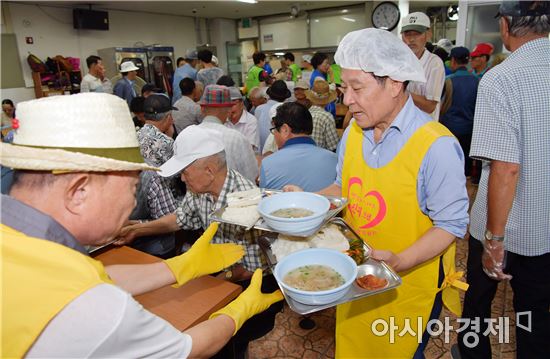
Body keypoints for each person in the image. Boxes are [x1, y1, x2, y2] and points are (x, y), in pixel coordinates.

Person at [0, 93, 282, 358]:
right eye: (134, 186)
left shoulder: (18, 245)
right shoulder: (94, 309)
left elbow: (94, 278)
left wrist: (178, 267)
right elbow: (186, 349)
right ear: (79, 192)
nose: (131, 204)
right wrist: (237, 311)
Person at [286, 28, 469, 358]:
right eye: (344, 88)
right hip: (356, 275)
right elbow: (344, 188)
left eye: (357, 88)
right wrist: (307, 203)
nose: (347, 100)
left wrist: (400, 261)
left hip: (408, 285)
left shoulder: (436, 146)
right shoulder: (355, 131)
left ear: (395, 83)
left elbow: (451, 225)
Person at [115, 124, 284, 359]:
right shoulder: (199, 190)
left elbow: (249, 269)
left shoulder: (246, 203)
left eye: (185, 171)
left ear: (209, 170)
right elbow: (181, 218)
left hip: (246, 285)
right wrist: (140, 229)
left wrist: (205, 283)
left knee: (227, 342)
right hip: (218, 273)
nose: (182, 178)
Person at [457, 2, 550, 358]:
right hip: (546, 229)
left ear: (507, 25)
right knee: (535, 314)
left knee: (478, 306)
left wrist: (495, 240)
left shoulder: (502, 77)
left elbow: (505, 168)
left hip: (505, 227)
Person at [260, 102, 336, 191]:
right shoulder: (335, 160)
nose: (274, 134)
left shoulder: (268, 164)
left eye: (274, 130)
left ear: (285, 130)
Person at [198, 85, 258, 182]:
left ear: (201, 108)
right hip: (232, 195)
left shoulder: (185, 135)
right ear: (228, 110)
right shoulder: (236, 138)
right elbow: (252, 175)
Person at [440, 47, 479, 177]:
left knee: (450, 162)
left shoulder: (448, 80)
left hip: (449, 127)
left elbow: (440, 104)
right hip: (470, 128)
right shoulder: (476, 80)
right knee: (466, 165)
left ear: (453, 61)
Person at [401, 12, 446, 121]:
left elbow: (430, 106)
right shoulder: (399, 61)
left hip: (424, 128)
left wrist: (399, 91)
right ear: (402, 36)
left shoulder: (434, 64)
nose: (411, 39)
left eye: (417, 34)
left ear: (428, 34)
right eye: (407, 34)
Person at [255, 80, 291, 152]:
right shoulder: (289, 110)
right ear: (285, 97)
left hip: (261, 152)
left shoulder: (259, 109)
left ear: (269, 95)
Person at [305, 79, 340, 151]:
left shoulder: (304, 114)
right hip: (321, 157)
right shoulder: (327, 117)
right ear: (327, 101)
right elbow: (334, 146)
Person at [226, 87, 260, 154]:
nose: (230, 109)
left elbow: (249, 149)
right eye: (227, 105)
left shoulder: (251, 120)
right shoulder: (223, 120)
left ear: (241, 104)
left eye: (233, 104)